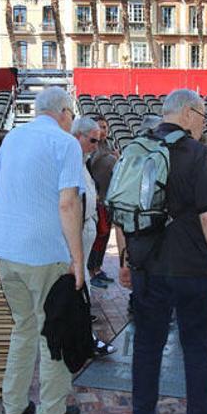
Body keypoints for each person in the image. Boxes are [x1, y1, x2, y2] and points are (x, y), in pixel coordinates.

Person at [120, 89, 207, 414]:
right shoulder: (197, 153)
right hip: (192, 269)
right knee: (198, 350)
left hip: (147, 265)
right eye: (202, 116)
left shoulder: (136, 148)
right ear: (187, 113)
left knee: (146, 347)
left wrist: (126, 260)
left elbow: (124, 210)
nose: (204, 124)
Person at [0, 87, 85, 414]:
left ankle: (13, 406)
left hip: (5, 249)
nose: (71, 120)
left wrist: (12, 220)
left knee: (23, 328)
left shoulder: (12, 138)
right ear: (63, 112)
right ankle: (51, 412)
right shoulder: (65, 143)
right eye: (70, 115)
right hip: (44, 252)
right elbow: (68, 203)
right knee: (52, 333)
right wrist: (78, 260)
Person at [71, 116, 116, 356]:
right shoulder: (71, 160)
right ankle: (84, 339)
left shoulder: (82, 159)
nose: (95, 146)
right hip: (77, 231)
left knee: (82, 285)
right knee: (79, 284)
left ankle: (83, 336)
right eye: (92, 141)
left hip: (86, 226)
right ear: (78, 136)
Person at [87, 116, 119, 290]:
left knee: (104, 237)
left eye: (105, 127)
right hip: (97, 199)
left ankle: (98, 269)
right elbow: (93, 163)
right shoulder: (93, 147)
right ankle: (91, 271)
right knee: (96, 238)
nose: (104, 131)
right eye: (100, 127)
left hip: (108, 198)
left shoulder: (108, 145)